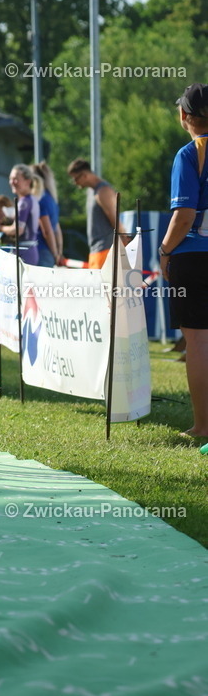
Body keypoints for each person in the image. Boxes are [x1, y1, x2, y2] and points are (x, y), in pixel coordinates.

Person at [158, 83, 208, 439]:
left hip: (194, 257)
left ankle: (203, 426)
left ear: (183, 115)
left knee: (199, 343)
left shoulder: (189, 153)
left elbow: (184, 215)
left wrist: (164, 251)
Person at [67, 158, 129, 268]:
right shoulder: (91, 191)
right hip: (97, 251)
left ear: (84, 175)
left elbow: (115, 220)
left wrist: (125, 244)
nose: (75, 183)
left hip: (106, 250)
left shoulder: (103, 191)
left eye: (75, 179)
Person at [0, 164, 41, 265]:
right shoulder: (31, 199)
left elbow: (17, 230)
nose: (11, 182)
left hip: (24, 252)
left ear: (27, 181)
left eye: (16, 179)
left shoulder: (24, 202)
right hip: (29, 250)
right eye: (10, 179)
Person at [32, 161, 63, 266]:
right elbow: (56, 228)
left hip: (41, 250)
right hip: (49, 251)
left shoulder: (40, 200)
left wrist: (55, 254)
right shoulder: (52, 199)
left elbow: (47, 231)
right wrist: (58, 251)